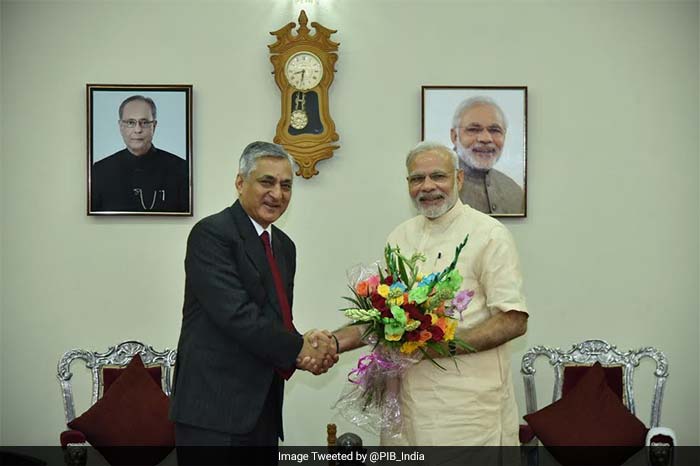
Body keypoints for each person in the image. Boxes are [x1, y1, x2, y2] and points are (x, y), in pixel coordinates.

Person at [333, 141, 528, 446]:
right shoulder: (400, 236)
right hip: (405, 402)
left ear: (459, 180)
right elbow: (383, 319)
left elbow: (513, 320)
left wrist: (440, 348)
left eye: (438, 176)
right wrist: (331, 342)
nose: (427, 187)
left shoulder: (489, 235)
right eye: (416, 179)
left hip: (467, 409)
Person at [169, 141, 337, 457]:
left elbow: (271, 317)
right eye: (267, 181)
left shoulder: (284, 246)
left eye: (286, 185)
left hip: (262, 410)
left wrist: (301, 339)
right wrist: (299, 349)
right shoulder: (212, 234)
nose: (277, 193)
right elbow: (237, 315)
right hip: (213, 413)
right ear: (239, 183)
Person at [91, 95, 189, 213]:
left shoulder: (181, 169)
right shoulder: (99, 171)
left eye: (144, 122)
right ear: (121, 126)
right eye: (130, 122)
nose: (138, 130)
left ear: (154, 126)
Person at [450, 96, 524, 215]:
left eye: (495, 130)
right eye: (473, 129)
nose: (486, 139)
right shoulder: (436, 186)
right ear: (454, 136)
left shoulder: (515, 192)